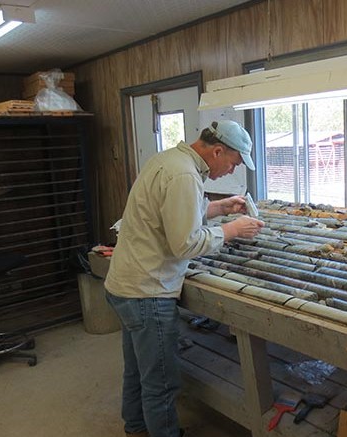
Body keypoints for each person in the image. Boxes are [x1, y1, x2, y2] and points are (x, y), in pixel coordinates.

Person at [104, 120, 265, 437]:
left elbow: (173, 214)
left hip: (125, 283)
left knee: (138, 370)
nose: (232, 171)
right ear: (217, 151)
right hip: (147, 291)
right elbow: (185, 243)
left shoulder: (169, 160)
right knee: (162, 382)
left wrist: (216, 208)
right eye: (233, 163)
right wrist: (231, 230)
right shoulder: (184, 175)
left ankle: (136, 427)